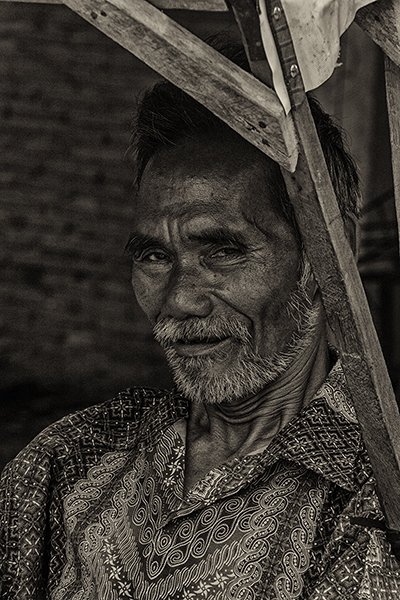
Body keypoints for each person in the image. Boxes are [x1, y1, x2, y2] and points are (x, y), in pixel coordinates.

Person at [1, 41, 399, 600]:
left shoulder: (372, 497)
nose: (181, 300)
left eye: (223, 250)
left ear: (329, 254)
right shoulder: (68, 462)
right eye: (154, 257)